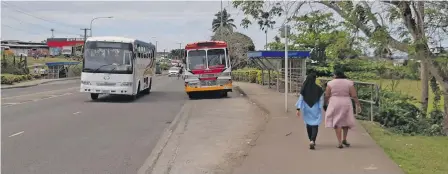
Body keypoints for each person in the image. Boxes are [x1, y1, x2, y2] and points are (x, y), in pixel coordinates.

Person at [324, 69, 361, 148]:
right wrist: (358, 104)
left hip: (334, 102)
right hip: (346, 102)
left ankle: (339, 142)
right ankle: (344, 139)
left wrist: (325, 103)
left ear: (336, 75)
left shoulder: (330, 83)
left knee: (337, 122)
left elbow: (327, 95)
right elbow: (354, 95)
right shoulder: (349, 83)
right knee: (346, 120)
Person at [295, 72, 324, 150]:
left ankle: (310, 139)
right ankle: (312, 140)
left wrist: (298, 109)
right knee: (315, 124)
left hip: (306, 108)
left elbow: (300, 99)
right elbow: (321, 99)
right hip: (316, 108)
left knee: (308, 124)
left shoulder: (304, 88)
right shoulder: (319, 88)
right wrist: (320, 107)